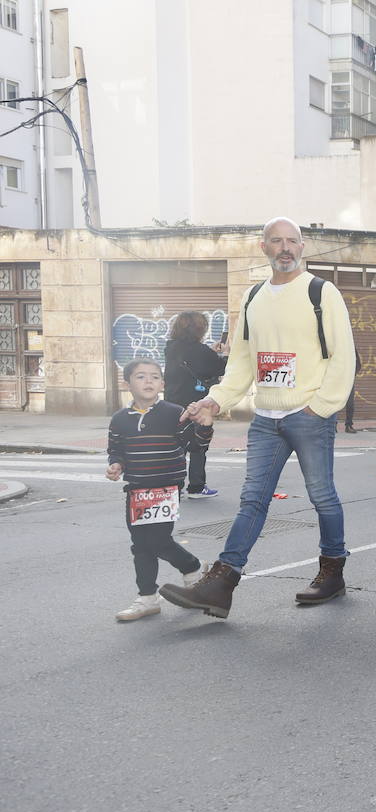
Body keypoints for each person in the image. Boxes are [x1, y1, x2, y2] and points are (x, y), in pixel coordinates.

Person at [160, 217, 356, 618]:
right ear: (263, 248)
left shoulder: (322, 292)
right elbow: (242, 361)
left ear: (302, 247)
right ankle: (222, 583)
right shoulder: (253, 297)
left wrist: (318, 407)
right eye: (276, 241)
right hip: (266, 419)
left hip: (309, 417)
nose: (285, 248)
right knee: (253, 499)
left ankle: (332, 572)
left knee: (322, 496)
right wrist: (215, 401)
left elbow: (343, 357)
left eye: (292, 241)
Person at [106, 359, 213, 621]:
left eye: (154, 377)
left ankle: (192, 567)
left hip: (166, 488)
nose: (149, 381)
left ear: (162, 384)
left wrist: (205, 425)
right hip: (137, 490)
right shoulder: (120, 419)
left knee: (156, 540)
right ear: (127, 383)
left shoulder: (173, 413)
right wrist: (116, 465)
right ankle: (148, 598)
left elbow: (196, 445)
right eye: (141, 377)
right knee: (140, 544)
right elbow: (115, 449)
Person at [162, 310, 227, 499]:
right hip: (195, 404)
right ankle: (197, 487)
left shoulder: (171, 348)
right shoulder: (200, 350)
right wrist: (224, 354)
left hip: (172, 403)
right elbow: (218, 367)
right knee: (199, 445)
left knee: (176, 446)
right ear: (199, 329)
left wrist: (211, 352)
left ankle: (173, 487)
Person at [342, 347, 362, 433]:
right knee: (333, 401)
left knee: (350, 403)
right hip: (337, 378)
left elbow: (358, 362)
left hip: (349, 379)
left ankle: (348, 425)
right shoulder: (336, 346)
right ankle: (333, 425)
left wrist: (353, 372)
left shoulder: (351, 346)